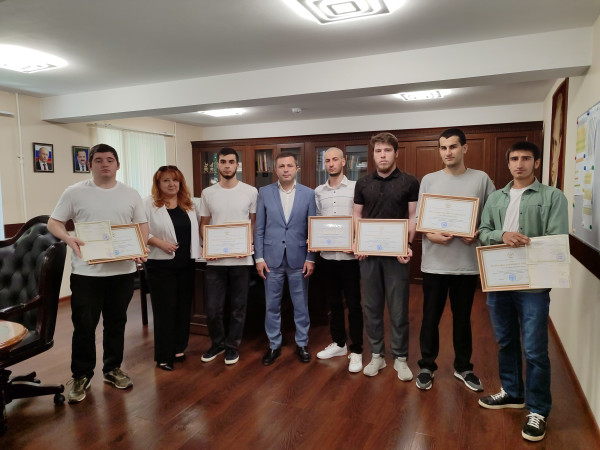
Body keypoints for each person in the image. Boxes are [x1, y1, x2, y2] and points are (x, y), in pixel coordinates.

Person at [478, 141, 568, 442]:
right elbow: (483, 233)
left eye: (526, 158)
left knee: (534, 349)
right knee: (505, 340)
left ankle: (538, 409)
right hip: (499, 280)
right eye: (514, 159)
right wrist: (502, 234)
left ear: (536, 163)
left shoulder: (552, 197)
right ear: (508, 163)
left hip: (533, 284)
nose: (519, 164)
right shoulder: (496, 197)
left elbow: (556, 240)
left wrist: (527, 243)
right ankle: (513, 392)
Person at [48, 143, 148, 404]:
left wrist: (140, 248)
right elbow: (54, 222)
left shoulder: (130, 194)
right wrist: (68, 238)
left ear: (118, 165)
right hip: (87, 273)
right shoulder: (74, 192)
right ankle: (81, 375)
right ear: (89, 164)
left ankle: (112, 369)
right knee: (84, 326)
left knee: (116, 323)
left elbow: (141, 225)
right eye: (99, 160)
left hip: (122, 272)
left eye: (110, 160)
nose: (105, 164)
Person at [415, 128, 495, 392]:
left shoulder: (481, 179)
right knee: (430, 318)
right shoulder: (429, 180)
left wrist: (477, 232)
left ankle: (463, 367)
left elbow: (491, 217)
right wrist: (430, 234)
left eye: (453, 146)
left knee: (462, 319)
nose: (447, 152)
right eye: (443, 147)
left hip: (466, 264)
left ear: (464, 148)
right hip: (435, 263)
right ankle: (427, 366)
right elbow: (420, 219)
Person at [353, 132, 419, 380]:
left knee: (399, 308)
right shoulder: (362, 183)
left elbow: (412, 216)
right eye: (378, 151)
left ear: (396, 153)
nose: (382, 155)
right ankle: (377, 356)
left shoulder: (410, 182)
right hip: (368, 255)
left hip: (397, 255)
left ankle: (400, 358)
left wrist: (407, 244)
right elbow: (357, 215)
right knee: (371, 306)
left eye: (387, 150)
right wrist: (358, 241)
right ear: (373, 154)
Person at [254, 152, 316, 365]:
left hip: (299, 259)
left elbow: (312, 229)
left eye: (290, 165)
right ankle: (274, 344)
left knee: (301, 305)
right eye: (281, 166)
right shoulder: (264, 192)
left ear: (297, 168)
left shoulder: (309, 194)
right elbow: (259, 229)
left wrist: (311, 258)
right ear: (276, 170)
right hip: (271, 260)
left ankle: (302, 343)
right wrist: (259, 258)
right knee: (272, 305)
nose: (286, 169)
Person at [199, 148, 258, 365]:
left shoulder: (250, 191)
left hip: (241, 259)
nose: (227, 166)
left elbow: (253, 222)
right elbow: (204, 223)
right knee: (213, 309)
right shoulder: (208, 193)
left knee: (238, 307)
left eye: (231, 162)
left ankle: (232, 346)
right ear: (218, 165)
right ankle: (217, 344)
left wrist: (249, 243)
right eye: (223, 162)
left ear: (237, 165)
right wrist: (207, 245)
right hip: (215, 261)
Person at [144, 165, 201, 371]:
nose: (171, 184)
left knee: (183, 308)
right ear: (158, 183)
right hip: (160, 265)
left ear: (180, 183)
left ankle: (178, 348)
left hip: (187, 264)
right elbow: (140, 231)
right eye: (166, 180)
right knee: (164, 311)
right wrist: (159, 243)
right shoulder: (148, 204)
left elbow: (199, 230)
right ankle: (163, 356)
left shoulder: (189, 204)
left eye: (175, 180)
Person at [314, 147, 363, 373]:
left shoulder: (356, 187)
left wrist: (357, 242)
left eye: (335, 159)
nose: (331, 163)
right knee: (333, 304)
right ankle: (339, 344)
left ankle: (357, 350)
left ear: (344, 161)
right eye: (327, 160)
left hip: (350, 257)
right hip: (327, 257)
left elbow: (361, 218)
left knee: (353, 304)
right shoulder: (318, 191)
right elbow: (317, 221)